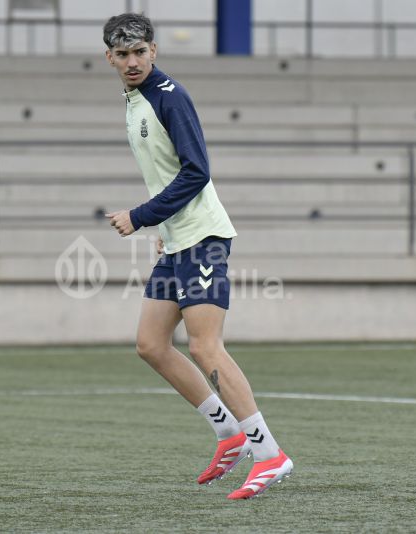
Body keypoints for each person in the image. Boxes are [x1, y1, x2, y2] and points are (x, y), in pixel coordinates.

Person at [102, 13, 292, 500]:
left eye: (139, 51)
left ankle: (270, 454)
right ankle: (228, 433)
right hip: (178, 239)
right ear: (109, 58)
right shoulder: (134, 101)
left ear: (154, 51)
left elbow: (196, 173)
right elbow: (167, 172)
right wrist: (164, 226)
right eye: (122, 54)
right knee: (151, 344)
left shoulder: (170, 97)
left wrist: (141, 216)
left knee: (206, 347)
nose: (131, 61)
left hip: (204, 238)